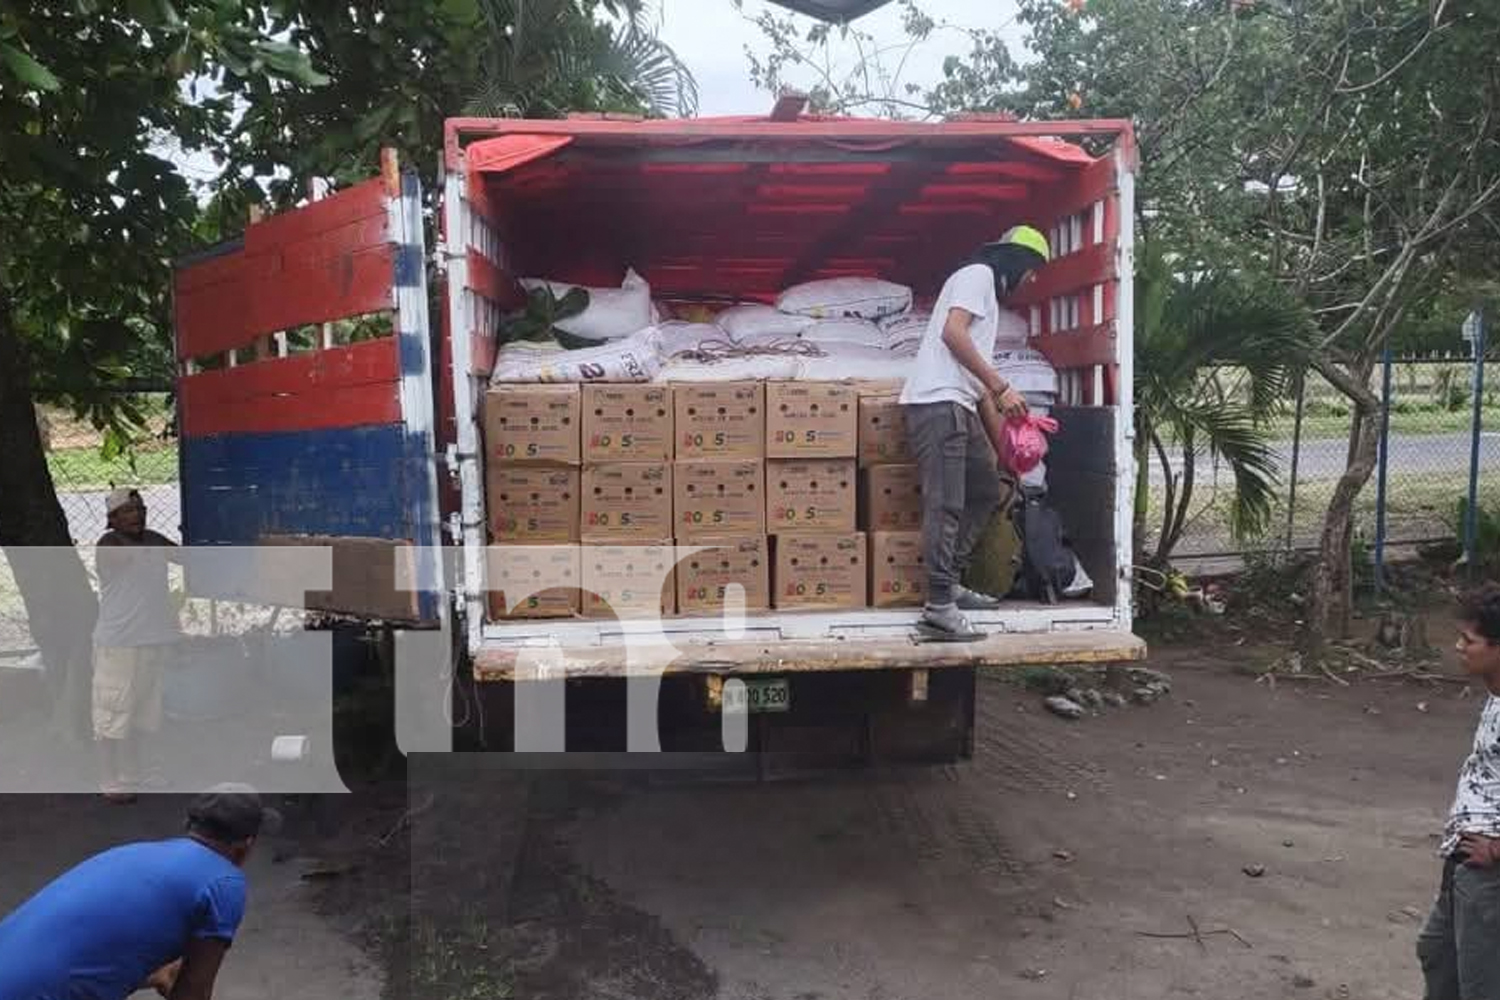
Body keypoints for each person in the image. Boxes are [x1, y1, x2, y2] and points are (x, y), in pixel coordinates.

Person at [899, 225, 1050, 641]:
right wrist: (1003, 386)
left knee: (986, 488)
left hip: (959, 404)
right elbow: (953, 334)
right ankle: (939, 606)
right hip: (938, 404)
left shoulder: (986, 295)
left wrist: (1010, 449)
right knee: (946, 504)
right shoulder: (977, 276)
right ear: (1017, 261)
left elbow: (979, 385)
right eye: (1033, 270)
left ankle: (952, 580)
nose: (1032, 280)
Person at [0, 784, 276, 1000]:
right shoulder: (223, 883)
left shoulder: (133, 853)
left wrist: (154, 975)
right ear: (246, 845)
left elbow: (83, 951)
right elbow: (192, 993)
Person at [1418, 585, 1500, 1000]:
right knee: (1436, 953)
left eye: (1469, 640)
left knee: (1480, 987)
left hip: (1489, 874)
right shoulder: (1495, 696)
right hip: (1463, 862)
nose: (1458, 646)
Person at [93, 487, 182, 802]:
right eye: (128, 511)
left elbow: (183, 557)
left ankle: (133, 772)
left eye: (140, 508)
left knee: (143, 711)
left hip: (149, 641)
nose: (137, 515)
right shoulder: (109, 544)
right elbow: (127, 557)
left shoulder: (152, 539)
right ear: (113, 518)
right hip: (119, 643)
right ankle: (109, 778)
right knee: (112, 712)